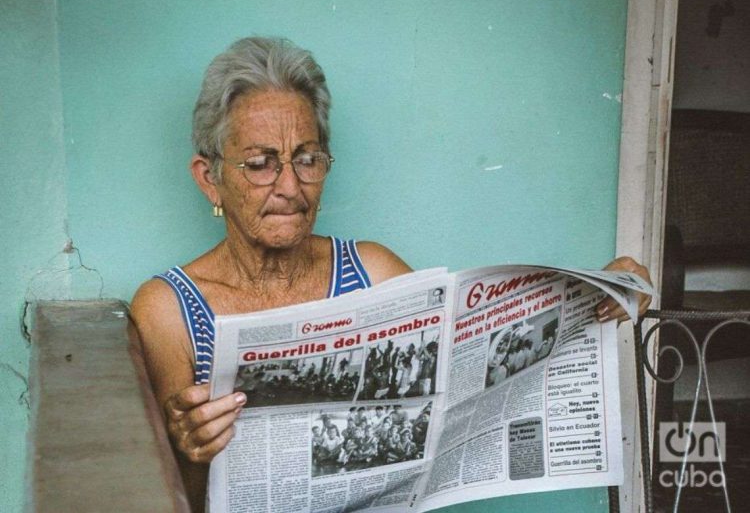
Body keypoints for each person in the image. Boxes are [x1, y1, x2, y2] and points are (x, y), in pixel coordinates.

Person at [129, 36, 652, 511]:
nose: (290, 186)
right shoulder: (168, 310)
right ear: (210, 178)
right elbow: (178, 499)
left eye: (307, 158)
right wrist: (190, 453)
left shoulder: (372, 271)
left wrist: (598, 297)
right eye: (262, 163)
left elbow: (473, 373)